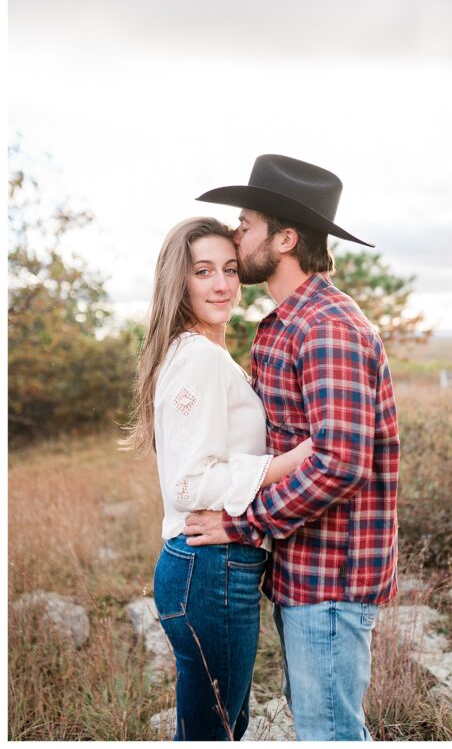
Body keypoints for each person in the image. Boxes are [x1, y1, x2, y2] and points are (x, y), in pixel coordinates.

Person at [182, 154, 400, 741]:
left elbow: (340, 463)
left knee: (329, 734)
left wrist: (242, 524)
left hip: (331, 577)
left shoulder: (327, 327)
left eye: (246, 223)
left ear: (284, 238)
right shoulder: (284, 323)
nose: (236, 233)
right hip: (301, 569)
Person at [123, 217, 313, 740]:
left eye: (230, 269)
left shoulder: (201, 353)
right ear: (178, 282)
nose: (223, 284)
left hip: (207, 567)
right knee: (215, 732)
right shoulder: (199, 358)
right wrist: (300, 456)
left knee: (218, 726)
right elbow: (188, 485)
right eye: (203, 271)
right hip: (210, 568)